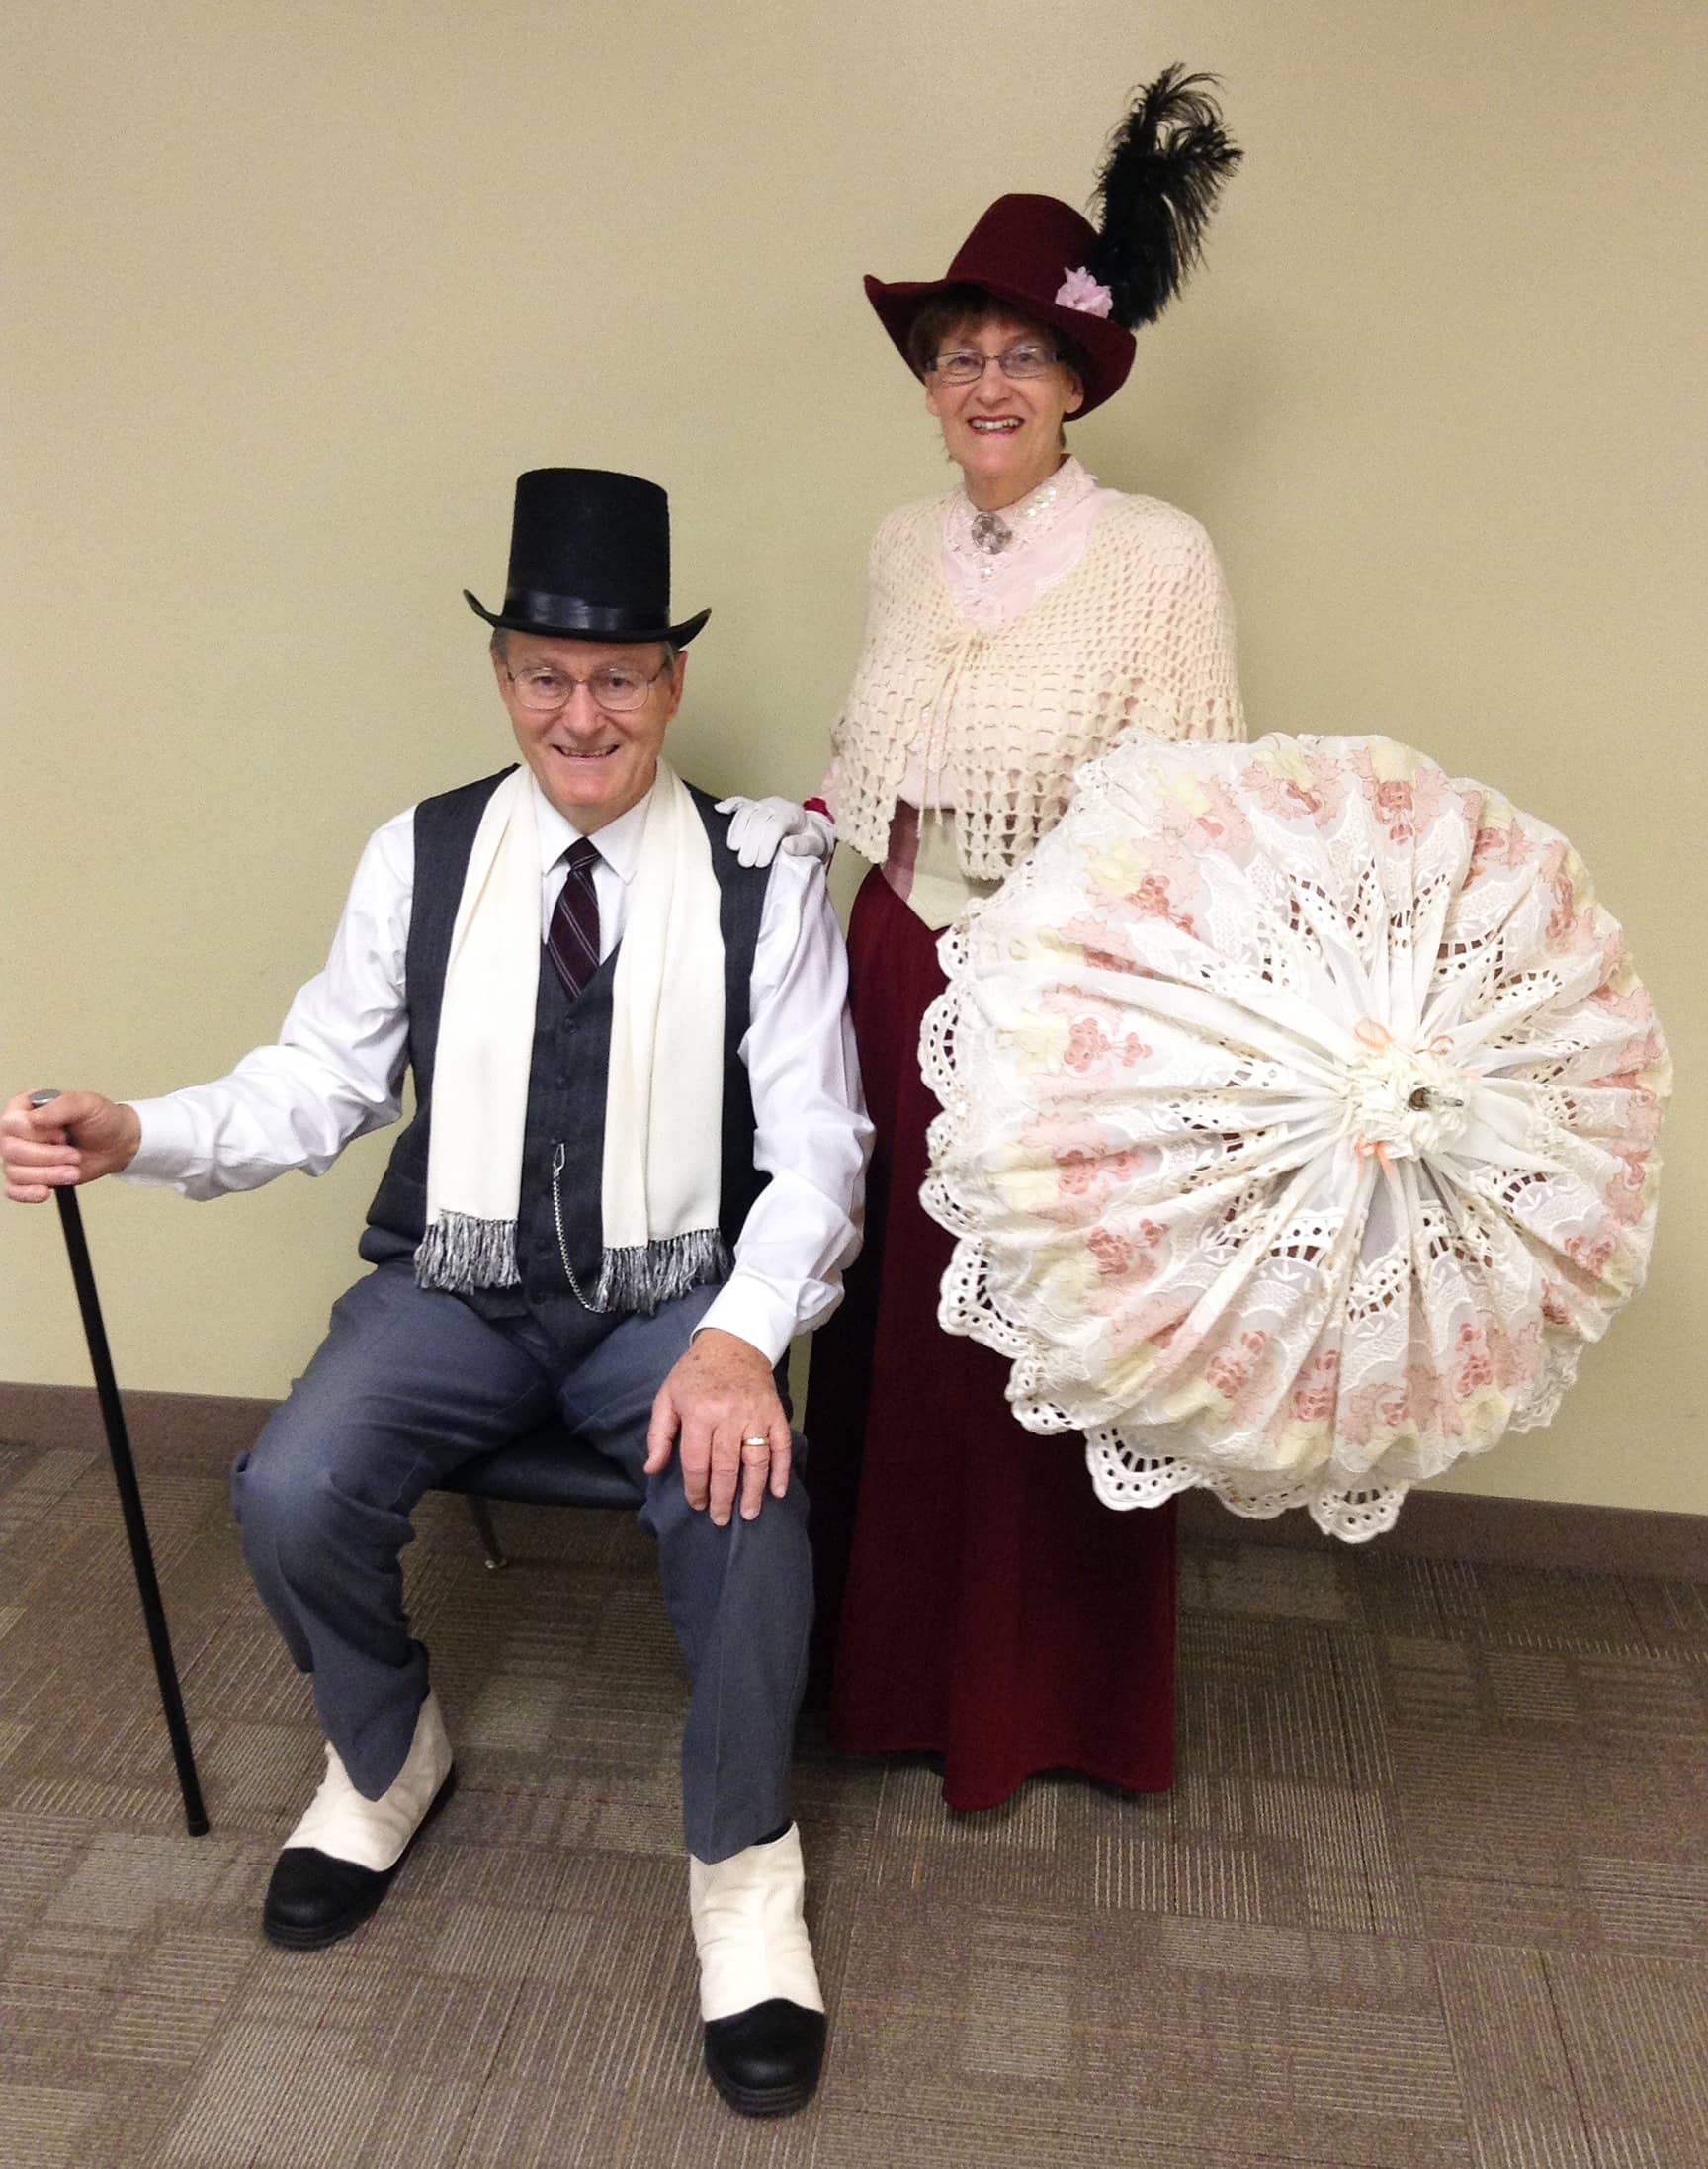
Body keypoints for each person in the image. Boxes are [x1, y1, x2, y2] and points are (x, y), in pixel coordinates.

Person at [2, 467, 871, 2119]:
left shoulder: (769, 875)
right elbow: (313, 1085)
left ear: (673, 683)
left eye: (618, 675)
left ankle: (746, 1870)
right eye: (546, 670)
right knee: (290, 1483)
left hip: (668, 1301)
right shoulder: (422, 852)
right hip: (456, 1293)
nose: (581, 709)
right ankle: (388, 1753)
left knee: (747, 1503)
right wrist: (135, 1131)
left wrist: (742, 1343)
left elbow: (823, 1150)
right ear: (501, 677)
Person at [722, 70, 1244, 1811]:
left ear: (1080, 377)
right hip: (889, 971)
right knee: (887, 1328)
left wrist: (1120, 1022)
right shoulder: (896, 545)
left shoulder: (1159, 558)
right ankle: (877, 1680)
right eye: (959, 353)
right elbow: (870, 775)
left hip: (1055, 1005)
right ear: (930, 384)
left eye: (1021, 353)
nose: (986, 383)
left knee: (1037, 1338)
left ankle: (1039, 1707)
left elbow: (1191, 817)